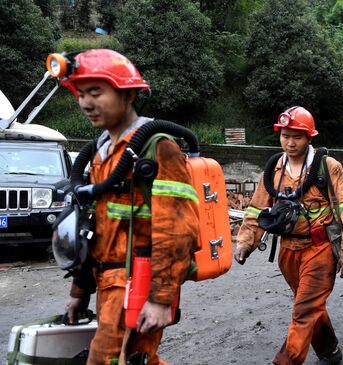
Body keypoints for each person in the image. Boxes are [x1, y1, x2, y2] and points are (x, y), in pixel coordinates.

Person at [62, 49, 200, 364]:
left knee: (108, 359)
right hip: (108, 282)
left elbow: (177, 230)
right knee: (137, 358)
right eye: (81, 94)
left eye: (96, 92)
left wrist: (161, 298)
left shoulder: (157, 147)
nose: (86, 103)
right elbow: (93, 229)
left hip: (138, 282)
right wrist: (80, 291)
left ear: (127, 94)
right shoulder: (101, 152)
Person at [234, 106, 343, 365]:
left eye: (297, 137)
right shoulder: (274, 169)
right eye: (285, 136)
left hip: (320, 250)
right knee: (310, 305)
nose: (290, 143)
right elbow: (258, 207)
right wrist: (246, 242)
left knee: (304, 308)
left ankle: (286, 360)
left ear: (309, 138)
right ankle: (330, 350)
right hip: (288, 252)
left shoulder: (327, 167)